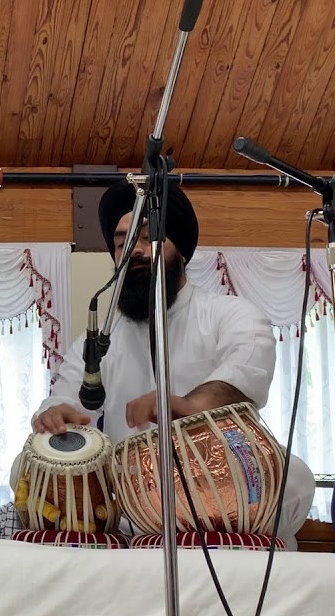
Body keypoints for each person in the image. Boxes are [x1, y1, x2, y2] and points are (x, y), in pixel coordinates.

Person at [27, 181, 315, 544]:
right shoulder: (97, 337)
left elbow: (247, 369)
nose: (135, 250)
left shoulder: (229, 314)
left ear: (181, 250)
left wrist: (191, 406)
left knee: (293, 478)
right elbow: (66, 395)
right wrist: (55, 416)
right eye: (122, 242)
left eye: (149, 238)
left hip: (220, 488)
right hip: (134, 501)